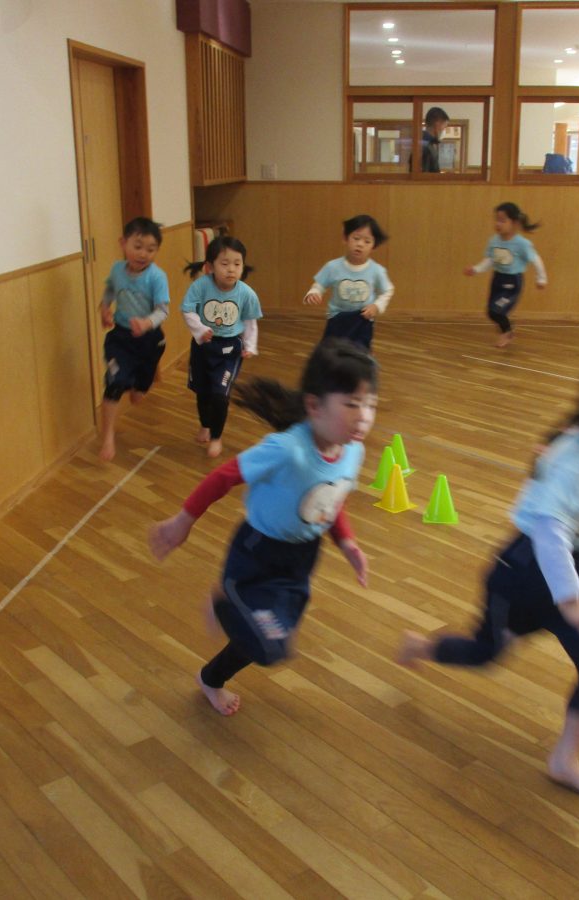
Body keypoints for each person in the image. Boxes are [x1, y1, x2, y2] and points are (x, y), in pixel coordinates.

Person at [398, 349, 579, 804]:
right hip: (525, 574)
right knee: (486, 655)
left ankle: (564, 760)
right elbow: (550, 533)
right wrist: (569, 601)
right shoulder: (571, 462)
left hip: (572, 571)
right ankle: (421, 646)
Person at [149, 339, 379, 717]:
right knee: (270, 646)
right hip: (257, 552)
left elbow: (333, 499)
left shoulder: (353, 451)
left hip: (302, 558)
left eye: (371, 404)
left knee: (269, 639)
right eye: (352, 403)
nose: (365, 416)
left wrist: (348, 543)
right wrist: (182, 521)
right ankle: (226, 596)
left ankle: (210, 678)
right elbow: (223, 476)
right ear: (315, 405)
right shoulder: (287, 449)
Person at [181, 236, 263, 458]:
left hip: (230, 349)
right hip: (203, 345)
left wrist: (250, 345)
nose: (231, 269)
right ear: (210, 267)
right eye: (224, 263)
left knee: (220, 394)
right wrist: (200, 330)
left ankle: (216, 437)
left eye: (237, 263)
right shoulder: (201, 286)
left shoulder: (246, 293)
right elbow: (188, 310)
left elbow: (250, 321)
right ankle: (205, 424)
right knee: (202, 391)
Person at [97, 217, 170, 462]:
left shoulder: (157, 277)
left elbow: (163, 311)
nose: (143, 254)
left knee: (139, 392)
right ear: (123, 243)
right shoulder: (117, 270)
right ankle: (108, 437)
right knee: (114, 383)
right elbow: (110, 288)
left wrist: (147, 322)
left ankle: (139, 385)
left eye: (150, 249)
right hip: (121, 337)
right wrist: (105, 307)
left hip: (150, 340)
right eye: (137, 247)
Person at [303, 214, 394, 349]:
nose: (360, 244)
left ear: (373, 246)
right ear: (345, 238)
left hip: (363, 320)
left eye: (367, 241)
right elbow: (319, 285)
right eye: (356, 238)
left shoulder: (376, 270)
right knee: (331, 353)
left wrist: (377, 306)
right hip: (337, 318)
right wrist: (314, 292)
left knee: (359, 354)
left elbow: (387, 290)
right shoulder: (332, 267)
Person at [464, 202, 547, 348]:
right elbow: (490, 260)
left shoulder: (522, 244)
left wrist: (541, 278)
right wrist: (476, 269)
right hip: (497, 279)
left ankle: (507, 332)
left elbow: (536, 260)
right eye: (496, 219)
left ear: (514, 223)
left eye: (502, 220)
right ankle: (508, 329)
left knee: (496, 311)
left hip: (512, 283)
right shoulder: (493, 240)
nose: (498, 223)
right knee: (491, 312)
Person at [419, 106, 450, 173]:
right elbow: (423, 176)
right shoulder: (425, 146)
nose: (444, 130)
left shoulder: (429, 144)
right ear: (437, 124)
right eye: (444, 127)